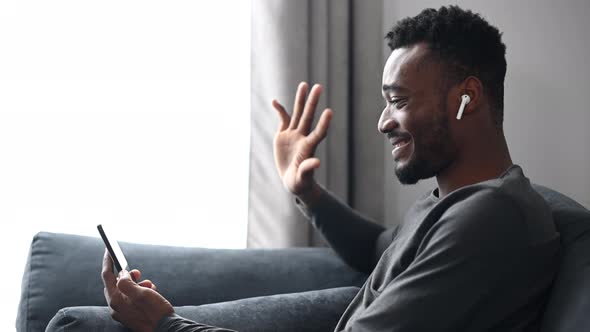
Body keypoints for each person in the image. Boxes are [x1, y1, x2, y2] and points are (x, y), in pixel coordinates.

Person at [101, 5, 560, 331]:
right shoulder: (459, 201)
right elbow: (383, 246)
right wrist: (307, 191)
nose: (383, 122)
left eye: (397, 101)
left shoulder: (490, 217)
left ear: (468, 98)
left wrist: (165, 325)